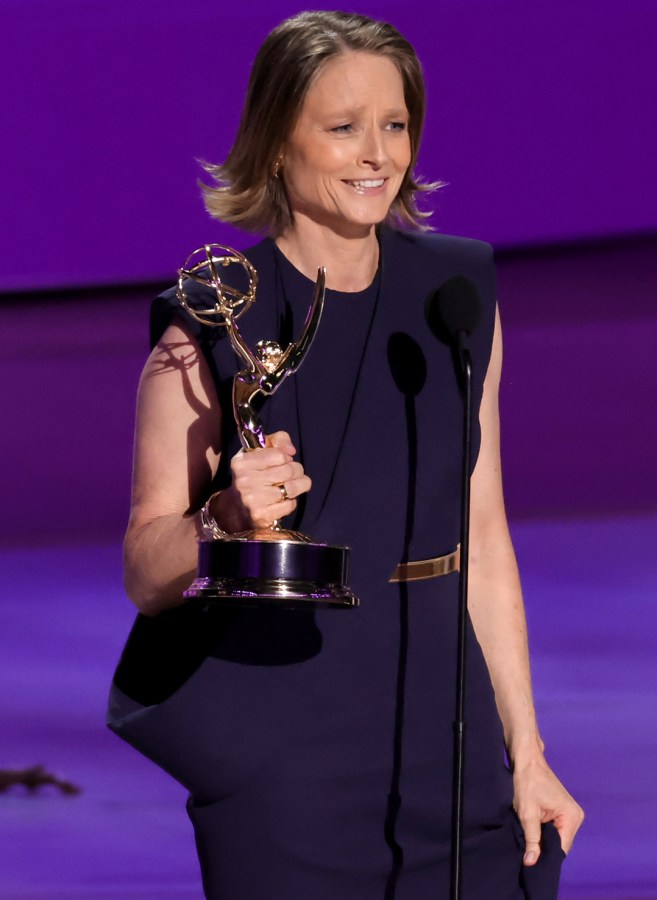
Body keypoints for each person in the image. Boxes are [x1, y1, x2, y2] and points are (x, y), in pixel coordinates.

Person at [108, 11, 583, 899]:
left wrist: (527, 752)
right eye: (342, 127)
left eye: (394, 124)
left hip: (445, 729)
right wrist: (222, 520)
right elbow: (144, 568)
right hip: (287, 752)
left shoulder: (458, 292)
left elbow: (482, 538)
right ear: (275, 143)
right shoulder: (210, 318)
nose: (377, 153)